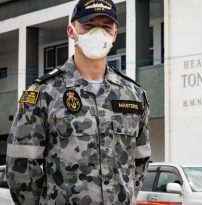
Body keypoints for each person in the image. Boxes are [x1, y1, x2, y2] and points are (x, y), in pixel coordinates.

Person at [6, 0, 151, 204]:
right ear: (72, 31)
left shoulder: (133, 95)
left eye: (106, 27)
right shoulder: (43, 92)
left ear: (115, 34)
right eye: (89, 26)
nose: (97, 33)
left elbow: (140, 161)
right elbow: (20, 166)